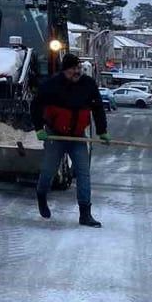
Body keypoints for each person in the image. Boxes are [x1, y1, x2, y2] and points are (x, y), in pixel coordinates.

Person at [31, 52, 109, 227]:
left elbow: (97, 108)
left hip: (77, 137)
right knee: (49, 171)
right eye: (73, 68)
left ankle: (85, 214)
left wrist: (102, 130)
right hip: (55, 135)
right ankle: (41, 195)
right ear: (64, 70)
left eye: (78, 68)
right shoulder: (51, 85)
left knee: (83, 173)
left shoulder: (87, 84)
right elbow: (36, 105)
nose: (77, 71)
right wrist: (38, 128)